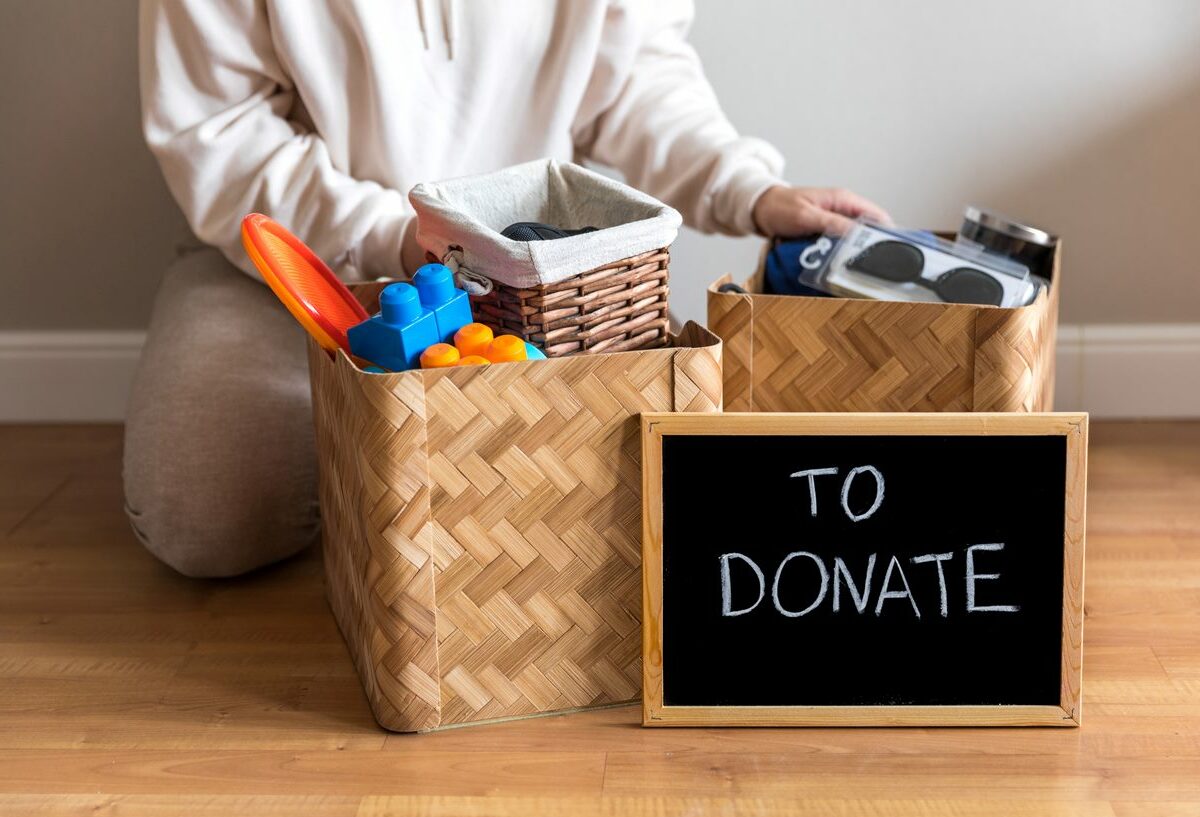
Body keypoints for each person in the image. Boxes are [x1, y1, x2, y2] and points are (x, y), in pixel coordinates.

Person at [130, 0, 890, 578]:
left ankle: (387, 494)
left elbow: (636, 81)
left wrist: (751, 190)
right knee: (206, 508)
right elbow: (218, 131)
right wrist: (415, 238)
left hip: (542, 275)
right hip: (305, 260)